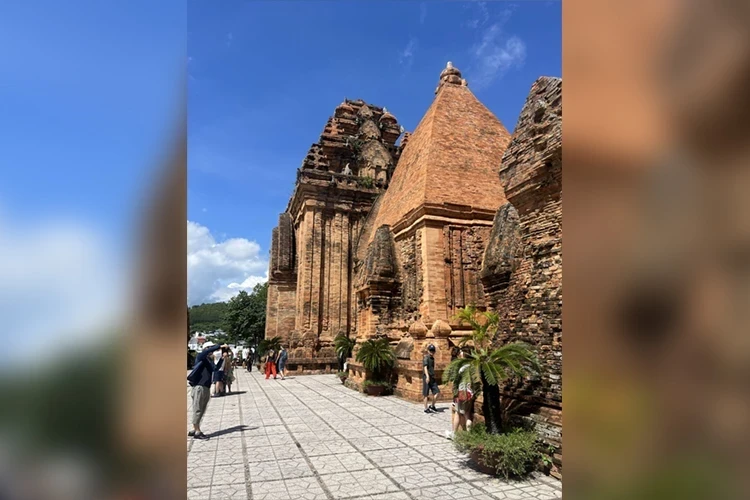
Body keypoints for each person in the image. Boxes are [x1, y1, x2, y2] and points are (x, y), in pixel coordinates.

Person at [187, 342, 226, 439]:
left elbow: (215, 369)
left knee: (202, 409)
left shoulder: (208, 360)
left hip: (206, 387)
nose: (213, 350)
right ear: (206, 348)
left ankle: (195, 428)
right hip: (199, 387)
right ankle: (197, 431)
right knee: (198, 409)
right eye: (211, 348)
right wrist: (219, 346)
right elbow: (207, 351)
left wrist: (222, 359)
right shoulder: (200, 357)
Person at [446, 350, 474, 439]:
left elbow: (455, 379)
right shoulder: (473, 366)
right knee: (467, 414)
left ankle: (454, 433)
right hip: (470, 393)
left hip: (462, 392)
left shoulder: (462, 368)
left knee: (457, 413)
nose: (460, 354)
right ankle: (469, 436)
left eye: (461, 353)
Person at [423, 344, 440, 413]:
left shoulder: (432, 358)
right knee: (426, 394)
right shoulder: (426, 358)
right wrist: (427, 376)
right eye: (431, 351)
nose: (432, 352)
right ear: (428, 351)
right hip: (427, 377)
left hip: (432, 377)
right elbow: (425, 367)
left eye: (433, 351)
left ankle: (432, 405)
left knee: (437, 392)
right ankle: (426, 408)